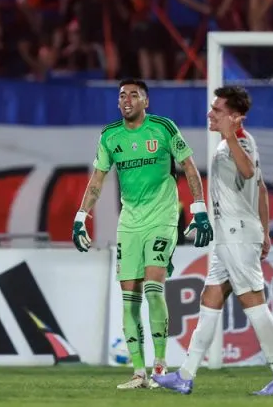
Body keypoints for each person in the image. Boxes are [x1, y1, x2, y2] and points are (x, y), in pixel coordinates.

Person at [153, 85, 273, 396]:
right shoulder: (243, 142)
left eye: (217, 111)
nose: (210, 114)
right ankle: (186, 375)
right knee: (211, 297)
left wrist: (230, 137)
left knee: (254, 302)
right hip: (232, 235)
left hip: (236, 236)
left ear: (234, 117)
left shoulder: (237, 143)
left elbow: (247, 173)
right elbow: (260, 188)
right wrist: (266, 231)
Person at [72, 78, 212, 389]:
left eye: (134, 95)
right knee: (129, 299)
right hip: (129, 224)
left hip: (162, 217)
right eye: (122, 95)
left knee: (153, 289)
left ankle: (160, 366)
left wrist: (199, 208)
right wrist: (82, 216)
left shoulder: (163, 128)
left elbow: (189, 166)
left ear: (145, 102)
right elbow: (97, 180)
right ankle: (139, 372)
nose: (126, 99)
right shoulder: (110, 136)